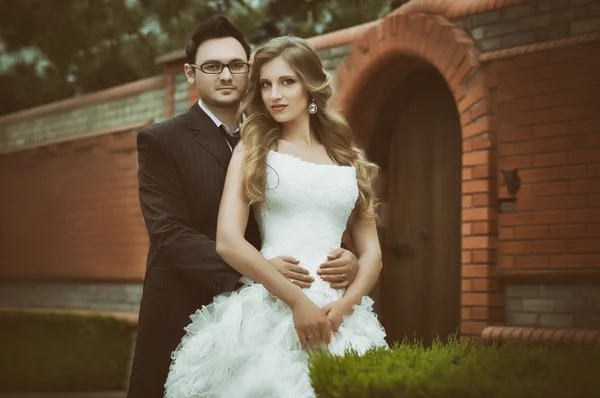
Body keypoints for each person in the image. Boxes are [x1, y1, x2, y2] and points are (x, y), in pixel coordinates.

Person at [126, 17, 360, 398]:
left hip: (276, 310)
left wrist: (347, 257)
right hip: (186, 303)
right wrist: (259, 272)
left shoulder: (277, 135)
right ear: (190, 73)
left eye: (236, 65)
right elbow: (169, 233)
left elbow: (306, 208)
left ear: (249, 68)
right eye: (212, 66)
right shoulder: (161, 140)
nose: (226, 75)